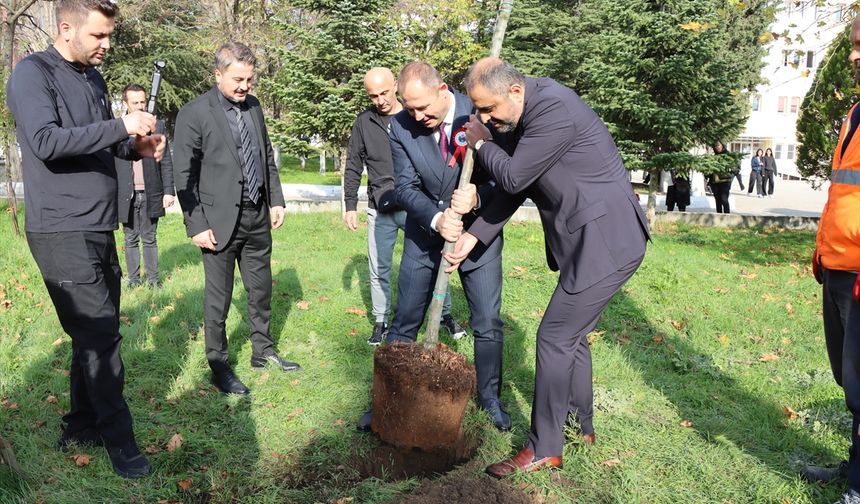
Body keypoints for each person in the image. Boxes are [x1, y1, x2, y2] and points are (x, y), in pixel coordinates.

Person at [451, 58, 649, 478]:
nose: (484, 118)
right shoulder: (521, 114)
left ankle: (545, 447)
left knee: (555, 336)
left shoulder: (554, 108)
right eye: (478, 110)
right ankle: (581, 427)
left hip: (606, 239)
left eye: (489, 109)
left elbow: (515, 176)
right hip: (590, 239)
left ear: (515, 91)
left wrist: (481, 144)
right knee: (571, 338)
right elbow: (517, 188)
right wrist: (474, 235)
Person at [5, 0, 166, 478]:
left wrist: (133, 145)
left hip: (99, 223)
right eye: (98, 36)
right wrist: (121, 125)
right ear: (67, 27)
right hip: (59, 227)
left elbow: (98, 139)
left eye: (110, 36)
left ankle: (80, 426)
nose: (106, 46)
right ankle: (122, 443)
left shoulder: (93, 78)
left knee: (91, 335)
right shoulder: (32, 74)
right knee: (101, 338)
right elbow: (47, 141)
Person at [367, 61, 510, 431]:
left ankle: (490, 398)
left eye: (423, 107)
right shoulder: (399, 126)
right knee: (405, 319)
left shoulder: (479, 112)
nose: (417, 115)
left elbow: (508, 178)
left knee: (487, 321)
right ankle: (389, 398)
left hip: (476, 235)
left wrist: (477, 197)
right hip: (425, 234)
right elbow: (405, 187)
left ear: (443, 89)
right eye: (409, 107)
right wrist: (436, 218)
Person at [172, 42, 301, 396]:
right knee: (219, 299)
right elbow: (182, 173)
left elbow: (265, 157)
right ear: (218, 75)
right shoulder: (194, 113)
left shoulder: (255, 107)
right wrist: (196, 224)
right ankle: (219, 365)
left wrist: (276, 199)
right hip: (217, 222)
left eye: (249, 79)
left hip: (257, 216)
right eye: (238, 79)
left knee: (260, 291)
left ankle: (263, 351)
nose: (245, 86)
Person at [343, 67, 464, 346]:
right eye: (373, 95)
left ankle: (443, 314)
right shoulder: (365, 122)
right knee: (379, 267)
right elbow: (353, 164)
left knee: (436, 263)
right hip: (380, 205)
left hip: (415, 206)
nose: (380, 100)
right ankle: (380, 319)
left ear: (396, 86)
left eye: (384, 92)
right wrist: (351, 204)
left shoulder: (417, 119)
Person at [803, 14, 860, 504]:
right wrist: (823, 249)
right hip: (839, 265)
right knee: (849, 378)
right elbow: (844, 193)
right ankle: (855, 466)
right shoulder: (856, 112)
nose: (854, 55)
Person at [116, 84, 175, 288]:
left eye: (143, 101)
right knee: (130, 238)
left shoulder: (157, 126)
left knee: (150, 238)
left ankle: (153, 280)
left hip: (151, 192)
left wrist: (168, 191)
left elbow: (166, 159)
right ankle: (133, 281)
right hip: (126, 194)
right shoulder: (118, 127)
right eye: (135, 102)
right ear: (126, 103)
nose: (140, 106)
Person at [709, 142, 734, 214]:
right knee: (718, 201)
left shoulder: (728, 155)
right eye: (715, 146)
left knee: (724, 199)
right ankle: (719, 217)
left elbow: (735, 168)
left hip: (725, 181)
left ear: (722, 145)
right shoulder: (713, 157)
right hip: (715, 182)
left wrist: (731, 174)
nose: (717, 147)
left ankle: (727, 217)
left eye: (718, 145)